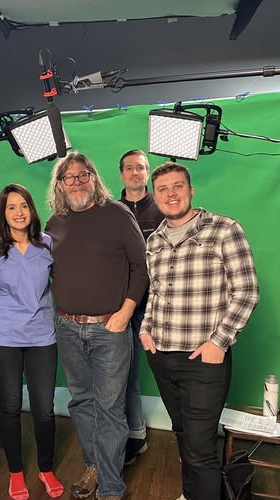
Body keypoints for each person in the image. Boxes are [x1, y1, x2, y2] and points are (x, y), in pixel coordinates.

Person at [139, 162, 260, 500]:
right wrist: (145, 329)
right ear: (155, 196)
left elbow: (247, 291)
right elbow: (155, 292)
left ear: (190, 190)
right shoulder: (154, 240)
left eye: (177, 186)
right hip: (162, 355)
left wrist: (219, 341)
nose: (170, 194)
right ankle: (192, 498)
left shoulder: (224, 229)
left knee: (201, 447)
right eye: (162, 189)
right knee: (182, 433)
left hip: (203, 360)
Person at [45, 152, 147, 500]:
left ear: (93, 177)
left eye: (82, 175)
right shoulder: (55, 223)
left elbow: (141, 267)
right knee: (81, 402)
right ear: (60, 185)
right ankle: (94, 465)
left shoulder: (117, 214)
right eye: (68, 177)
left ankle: (111, 492)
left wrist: (125, 311)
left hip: (110, 328)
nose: (76, 182)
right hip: (68, 327)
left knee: (110, 409)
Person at [0, 184, 63, 500]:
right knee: (10, 406)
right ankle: (16, 472)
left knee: (44, 409)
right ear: (3, 214)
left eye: (23, 206)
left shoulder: (47, 244)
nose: (18, 212)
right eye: (11, 207)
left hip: (42, 335)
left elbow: (65, 281)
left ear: (31, 210)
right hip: (3, 335)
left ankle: (46, 468)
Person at [117, 149, 165, 466]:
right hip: (124, 306)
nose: (135, 173)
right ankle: (135, 434)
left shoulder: (163, 207)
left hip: (161, 307)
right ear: (122, 174)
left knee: (170, 372)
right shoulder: (111, 211)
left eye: (141, 167)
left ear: (147, 172)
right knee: (126, 373)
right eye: (129, 168)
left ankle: (188, 435)